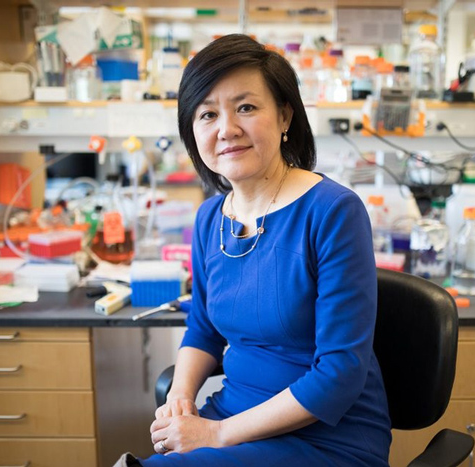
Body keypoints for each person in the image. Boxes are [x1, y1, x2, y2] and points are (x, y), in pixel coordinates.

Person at [116, 34, 391, 467]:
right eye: (208, 114)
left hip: (329, 436)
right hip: (236, 415)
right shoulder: (210, 219)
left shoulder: (333, 212)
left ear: (284, 115)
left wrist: (216, 433)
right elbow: (204, 327)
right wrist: (181, 396)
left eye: (246, 107)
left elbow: (340, 372)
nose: (226, 129)